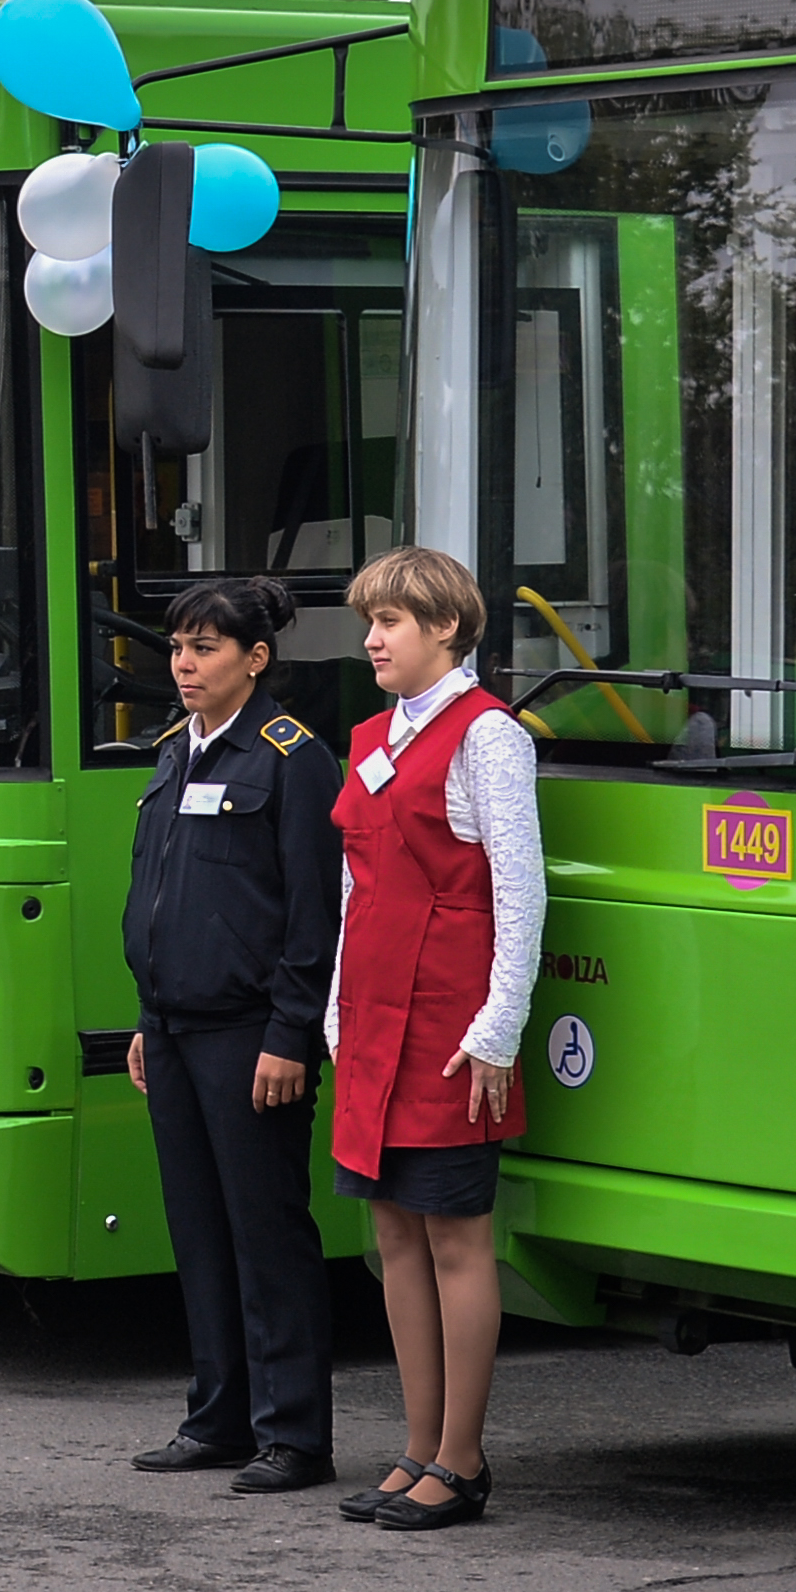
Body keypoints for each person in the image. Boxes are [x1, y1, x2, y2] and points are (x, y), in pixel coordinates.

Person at [322, 547, 541, 1531]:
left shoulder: (488, 736)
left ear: (445, 628)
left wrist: (496, 1027)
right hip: (372, 1013)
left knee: (454, 1239)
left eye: (391, 621)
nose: (370, 638)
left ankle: (460, 1459)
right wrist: (332, 1007)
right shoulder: (372, 732)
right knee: (391, 1237)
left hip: (450, 1019)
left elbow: (518, 888)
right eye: (369, 620)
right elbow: (352, 884)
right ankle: (414, 1447)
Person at [118, 573, 344, 1490]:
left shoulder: (291, 758)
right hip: (173, 1028)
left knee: (267, 1233)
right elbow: (159, 898)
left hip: (251, 1032)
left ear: (256, 659)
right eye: (177, 647)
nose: (183, 664)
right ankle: (216, 1417)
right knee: (199, 1231)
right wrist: (145, 1018)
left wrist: (291, 1034)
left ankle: (294, 1435)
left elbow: (312, 912)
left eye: (205, 648)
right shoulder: (175, 751)